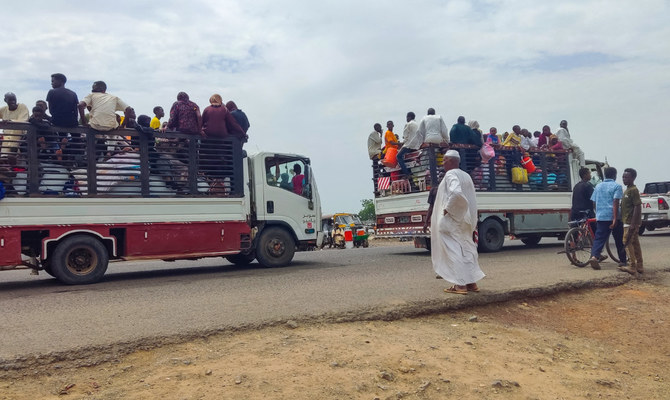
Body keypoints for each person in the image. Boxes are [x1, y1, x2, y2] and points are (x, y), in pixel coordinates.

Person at [431, 150, 485, 294]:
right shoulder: (466, 175)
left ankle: (460, 285)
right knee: (466, 248)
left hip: (453, 218)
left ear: (450, 160)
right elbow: (472, 199)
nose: (443, 163)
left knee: (453, 249)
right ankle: (471, 283)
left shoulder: (451, 174)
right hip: (466, 218)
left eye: (444, 160)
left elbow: (456, 193)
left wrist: (447, 209)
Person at [589, 167, 623, 270]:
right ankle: (622, 260)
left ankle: (594, 257)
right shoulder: (617, 186)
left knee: (599, 238)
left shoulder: (598, 186)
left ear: (605, 175)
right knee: (619, 239)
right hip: (613, 216)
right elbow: (615, 202)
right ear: (615, 175)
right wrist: (615, 218)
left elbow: (594, 202)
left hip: (601, 216)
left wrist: (598, 212)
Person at [619, 168, 643, 276]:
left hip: (630, 222)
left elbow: (637, 206)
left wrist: (633, 224)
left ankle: (632, 265)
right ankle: (640, 265)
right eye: (623, 177)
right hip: (627, 221)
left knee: (626, 242)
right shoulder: (627, 190)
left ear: (633, 178)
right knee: (635, 243)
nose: (624, 179)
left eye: (626, 177)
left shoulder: (633, 190)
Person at [397, 112, 421, 177]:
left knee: (398, 156)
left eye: (407, 117)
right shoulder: (417, 124)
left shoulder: (408, 124)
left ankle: (406, 173)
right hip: (417, 145)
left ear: (409, 117)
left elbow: (405, 137)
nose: (406, 119)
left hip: (409, 145)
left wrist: (402, 142)